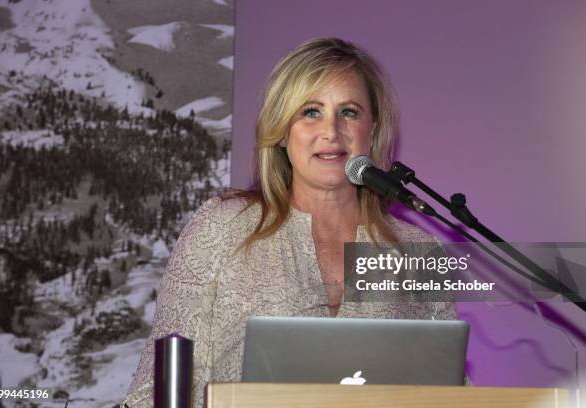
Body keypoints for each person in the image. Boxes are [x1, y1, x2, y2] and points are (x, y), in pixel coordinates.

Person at [122, 37, 458, 408]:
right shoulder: (221, 229)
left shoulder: (420, 254)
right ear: (282, 130)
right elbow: (152, 391)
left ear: (373, 129)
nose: (331, 132)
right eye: (310, 112)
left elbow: (452, 392)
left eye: (349, 112)